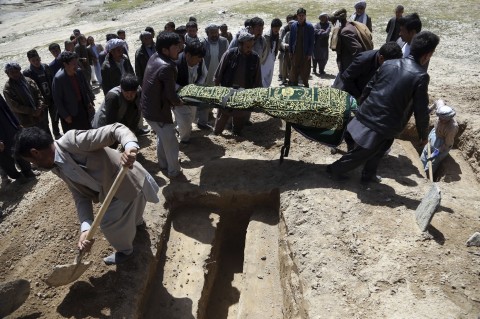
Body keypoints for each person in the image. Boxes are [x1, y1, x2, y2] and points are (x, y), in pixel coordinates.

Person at [14, 123, 159, 265]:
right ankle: (137, 223)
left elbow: (115, 129)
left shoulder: (72, 142)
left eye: (31, 161)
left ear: (35, 152)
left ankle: (126, 251)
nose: (34, 166)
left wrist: (129, 147)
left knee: (108, 223)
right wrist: (86, 228)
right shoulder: (55, 167)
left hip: (127, 180)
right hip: (109, 192)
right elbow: (80, 195)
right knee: (131, 214)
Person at [327, 31, 440, 183]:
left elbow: (369, 87)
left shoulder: (389, 63)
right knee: (364, 152)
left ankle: (369, 175)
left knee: (382, 147)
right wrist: (423, 136)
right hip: (383, 122)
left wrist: (362, 107)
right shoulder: (421, 76)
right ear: (427, 55)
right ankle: (334, 169)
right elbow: (421, 110)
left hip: (373, 114)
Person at [140, 32, 184, 178]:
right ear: (165, 50)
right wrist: (180, 102)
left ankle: (164, 164)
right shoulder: (167, 67)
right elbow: (171, 95)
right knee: (171, 142)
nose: (179, 49)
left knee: (162, 137)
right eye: (176, 47)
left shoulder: (154, 57)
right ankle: (174, 171)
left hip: (149, 110)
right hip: (157, 112)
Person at [213, 32, 262, 136]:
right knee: (223, 115)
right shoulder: (229, 54)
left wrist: (257, 93)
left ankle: (237, 132)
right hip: (227, 91)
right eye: (247, 46)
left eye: (251, 46)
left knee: (240, 115)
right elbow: (218, 74)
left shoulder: (255, 58)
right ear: (240, 44)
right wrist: (217, 90)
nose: (250, 49)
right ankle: (217, 133)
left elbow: (257, 79)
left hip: (244, 92)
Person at [3, 62, 51, 136]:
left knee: (47, 136)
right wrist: (33, 112)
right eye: (12, 72)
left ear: (19, 70)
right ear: (7, 74)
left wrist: (40, 107)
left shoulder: (29, 81)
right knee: (34, 141)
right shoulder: (8, 89)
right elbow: (14, 107)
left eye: (16, 71)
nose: (15, 74)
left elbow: (39, 94)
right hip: (27, 122)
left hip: (40, 116)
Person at [52, 51, 95, 132]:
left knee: (87, 131)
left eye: (76, 63)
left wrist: (89, 101)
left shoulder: (78, 72)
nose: (76, 65)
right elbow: (57, 100)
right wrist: (65, 115)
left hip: (82, 107)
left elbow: (85, 88)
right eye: (73, 64)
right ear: (65, 64)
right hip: (70, 112)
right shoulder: (59, 79)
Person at [23, 49, 62, 138]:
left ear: (40, 58)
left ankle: (57, 134)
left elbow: (52, 80)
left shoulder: (45, 67)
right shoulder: (27, 73)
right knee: (44, 122)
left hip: (51, 98)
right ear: (29, 61)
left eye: (37, 59)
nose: (36, 62)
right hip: (40, 102)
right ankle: (48, 138)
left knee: (55, 118)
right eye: (33, 60)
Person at [174, 41, 207, 143]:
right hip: (178, 97)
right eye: (197, 57)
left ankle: (179, 129)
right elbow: (170, 82)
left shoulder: (200, 61)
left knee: (191, 116)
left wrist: (196, 86)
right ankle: (184, 140)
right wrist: (183, 89)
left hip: (193, 95)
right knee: (185, 120)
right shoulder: (176, 63)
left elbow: (203, 74)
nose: (199, 60)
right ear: (188, 55)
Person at [0, 94, 37, 182]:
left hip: (9, 127)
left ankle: (28, 171)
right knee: (5, 159)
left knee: (19, 148)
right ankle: (17, 177)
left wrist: (17, 123)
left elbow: (6, 109)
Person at [199, 23, 229, 129]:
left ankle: (220, 118)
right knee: (206, 95)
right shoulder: (203, 42)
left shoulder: (224, 41)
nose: (214, 35)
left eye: (216, 32)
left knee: (219, 94)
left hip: (220, 73)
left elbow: (227, 57)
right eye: (212, 33)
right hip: (206, 74)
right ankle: (202, 121)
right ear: (208, 33)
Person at [330, 8, 368, 87]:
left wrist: (353, 68)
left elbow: (358, 49)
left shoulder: (345, 31)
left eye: (334, 21)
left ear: (338, 21)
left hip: (348, 66)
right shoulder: (350, 25)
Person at [420, 101, 459, 175]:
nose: (440, 120)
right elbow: (438, 101)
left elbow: (448, 144)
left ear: (449, 118)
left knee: (431, 164)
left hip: (442, 142)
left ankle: (426, 176)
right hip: (434, 133)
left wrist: (437, 152)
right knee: (423, 156)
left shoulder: (452, 128)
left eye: (443, 119)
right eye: (439, 118)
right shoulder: (441, 109)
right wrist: (429, 110)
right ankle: (421, 170)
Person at [288, 8, 315, 87]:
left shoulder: (309, 26)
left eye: (302, 15)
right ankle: (295, 85)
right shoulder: (293, 26)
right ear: (297, 16)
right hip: (296, 51)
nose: (301, 17)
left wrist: (310, 53)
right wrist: (290, 51)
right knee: (294, 69)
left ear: (305, 16)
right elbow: (291, 39)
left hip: (305, 52)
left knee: (305, 70)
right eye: (299, 15)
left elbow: (312, 41)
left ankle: (306, 85)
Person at [261, 18, 282, 87]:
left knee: (269, 77)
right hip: (264, 58)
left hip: (272, 58)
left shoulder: (278, 37)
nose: (277, 29)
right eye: (275, 27)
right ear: (272, 27)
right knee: (262, 76)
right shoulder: (265, 36)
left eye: (278, 28)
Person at [278, 14, 295, 82]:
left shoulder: (298, 32)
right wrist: (285, 45)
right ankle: (283, 77)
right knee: (283, 65)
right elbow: (281, 40)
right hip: (285, 51)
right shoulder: (286, 31)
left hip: (294, 52)